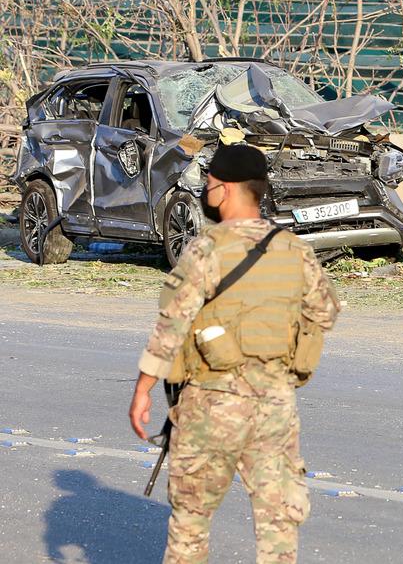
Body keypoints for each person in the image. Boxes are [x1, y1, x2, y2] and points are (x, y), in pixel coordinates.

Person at [128, 143, 340, 564]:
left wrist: (142, 390)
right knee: (279, 522)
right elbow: (325, 312)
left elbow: (172, 324)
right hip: (274, 404)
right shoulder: (294, 249)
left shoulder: (207, 248)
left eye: (208, 183)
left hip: (211, 402)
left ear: (222, 189)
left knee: (191, 521)